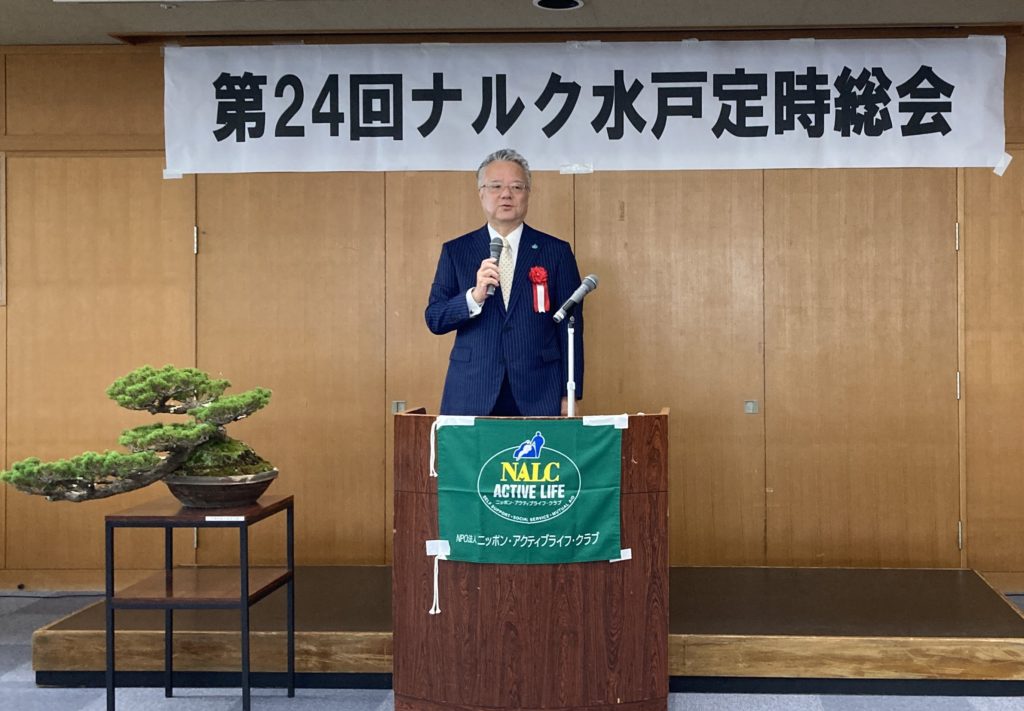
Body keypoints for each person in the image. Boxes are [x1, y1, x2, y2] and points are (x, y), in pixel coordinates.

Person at [425, 148, 584, 416]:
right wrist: (473, 297)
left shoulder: (556, 252)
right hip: (472, 388)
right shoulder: (456, 251)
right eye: (496, 186)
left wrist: (570, 393)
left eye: (516, 187)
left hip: (539, 389)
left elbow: (571, 328)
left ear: (528, 194)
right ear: (481, 193)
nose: (506, 194)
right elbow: (435, 318)